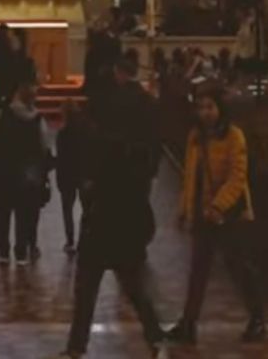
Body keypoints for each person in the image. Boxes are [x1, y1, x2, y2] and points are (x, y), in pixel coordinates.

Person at [58, 56, 167, 358]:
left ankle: (76, 347)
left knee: (90, 287)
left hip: (104, 217)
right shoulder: (139, 118)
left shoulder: (103, 135)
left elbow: (91, 167)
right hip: (124, 216)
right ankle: (155, 338)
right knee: (131, 285)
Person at [165, 86, 266, 344]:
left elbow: (237, 177)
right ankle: (188, 324)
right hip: (203, 214)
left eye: (209, 107)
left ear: (220, 108)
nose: (205, 113)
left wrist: (219, 206)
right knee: (198, 271)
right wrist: (185, 210)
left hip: (228, 214)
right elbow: (190, 177)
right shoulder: (195, 137)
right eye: (200, 107)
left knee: (239, 268)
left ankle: (257, 318)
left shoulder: (234, 136)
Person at [0, 80, 50, 265]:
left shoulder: (3, 114)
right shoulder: (38, 120)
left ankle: (3, 252)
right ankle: (21, 251)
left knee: (3, 210)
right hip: (27, 173)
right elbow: (44, 146)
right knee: (24, 212)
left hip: (3, 170)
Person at [53, 99, 90, 255]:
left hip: (68, 176)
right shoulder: (88, 130)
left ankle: (70, 241)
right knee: (87, 209)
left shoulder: (63, 134)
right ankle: (85, 239)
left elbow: (61, 158)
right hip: (83, 173)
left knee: (67, 209)